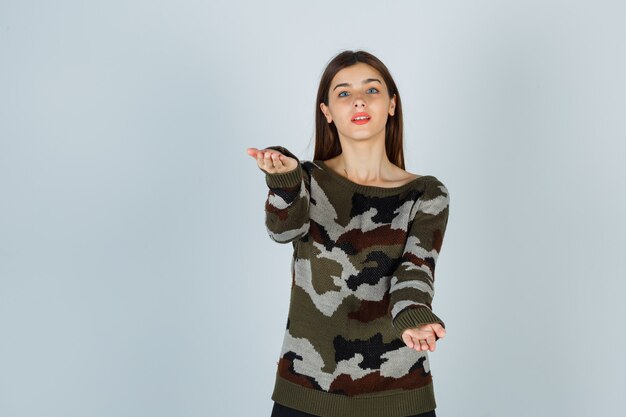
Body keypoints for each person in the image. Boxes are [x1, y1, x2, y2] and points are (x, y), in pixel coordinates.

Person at [246, 50, 450, 417]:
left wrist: (415, 314)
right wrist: (286, 183)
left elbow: (416, 269)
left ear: (391, 104)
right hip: (306, 393)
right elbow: (282, 231)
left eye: (371, 90)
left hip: (399, 394)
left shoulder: (427, 193)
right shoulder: (308, 181)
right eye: (343, 93)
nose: (358, 99)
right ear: (327, 112)